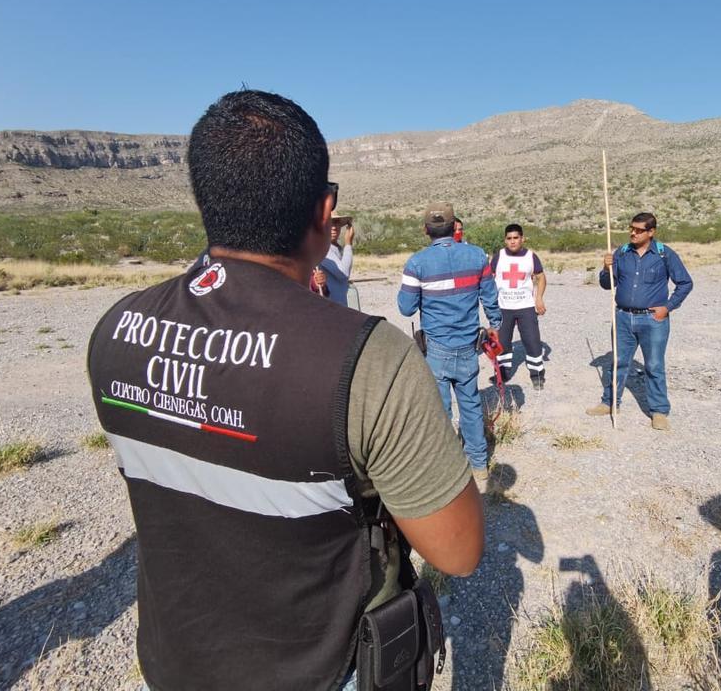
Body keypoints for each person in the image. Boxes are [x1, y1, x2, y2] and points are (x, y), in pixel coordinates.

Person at [87, 91, 483, 691]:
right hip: (324, 669)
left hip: (175, 660)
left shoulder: (116, 329)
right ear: (324, 211)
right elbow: (459, 551)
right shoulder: (369, 359)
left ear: (206, 201)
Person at [398, 203, 501, 485]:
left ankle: (445, 470)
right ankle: (479, 466)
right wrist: (495, 325)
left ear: (426, 229)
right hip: (469, 344)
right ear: (454, 225)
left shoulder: (417, 263)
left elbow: (405, 309)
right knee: (470, 403)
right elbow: (490, 299)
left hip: (437, 347)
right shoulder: (478, 255)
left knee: (440, 410)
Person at [586, 212, 693, 430]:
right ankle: (610, 403)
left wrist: (668, 307)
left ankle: (659, 411)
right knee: (618, 362)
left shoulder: (664, 254)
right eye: (631, 228)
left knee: (654, 365)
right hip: (623, 317)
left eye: (638, 230)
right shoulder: (622, 253)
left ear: (651, 232)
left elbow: (685, 283)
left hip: (653, 320)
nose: (633, 233)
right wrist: (606, 269)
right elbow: (607, 285)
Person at [491, 223, 547, 389]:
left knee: (532, 341)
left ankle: (537, 374)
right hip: (503, 306)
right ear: (505, 240)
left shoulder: (531, 256)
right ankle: (502, 373)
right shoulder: (498, 256)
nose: (513, 241)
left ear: (522, 239)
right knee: (502, 342)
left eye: (516, 238)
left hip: (526, 306)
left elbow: (541, 277)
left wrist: (539, 299)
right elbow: (489, 278)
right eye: (509, 238)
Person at [315, 214, 355, 306]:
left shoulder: (338, 248)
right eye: (329, 223)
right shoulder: (322, 248)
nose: (334, 227)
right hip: (330, 308)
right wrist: (348, 244)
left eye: (336, 223)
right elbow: (343, 273)